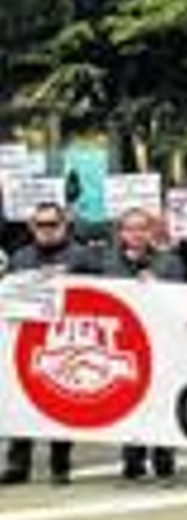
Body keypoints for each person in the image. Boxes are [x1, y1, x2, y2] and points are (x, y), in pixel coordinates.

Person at [78, 207, 187, 482]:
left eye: (142, 228)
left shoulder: (169, 262)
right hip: (124, 344)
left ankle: (164, 459)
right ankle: (133, 460)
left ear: (151, 231)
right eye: (130, 228)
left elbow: (182, 300)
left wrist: (159, 286)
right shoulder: (105, 262)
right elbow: (72, 271)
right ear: (121, 233)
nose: (136, 234)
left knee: (161, 402)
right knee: (129, 400)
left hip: (161, 343)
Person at [1, 202, 87, 486]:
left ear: (64, 225)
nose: (47, 230)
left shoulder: (81, 256)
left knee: (60, 401)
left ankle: (60, 463)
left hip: (65, 340)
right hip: (25, 341)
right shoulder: (20, 257)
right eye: (41, 225)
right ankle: (17, 463)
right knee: (21, 400)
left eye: (52, 224)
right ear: (32, 227)